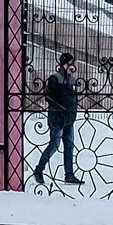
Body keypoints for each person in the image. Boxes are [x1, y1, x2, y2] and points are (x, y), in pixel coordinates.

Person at [34, 52, 81, 187]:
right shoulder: (55, 78)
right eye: (71, 63)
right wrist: (60, 107)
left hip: (69, 118)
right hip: (57, 117)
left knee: (69, 146)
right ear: (64, 64)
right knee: (54, 145)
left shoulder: (72, 80)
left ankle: (69, 174)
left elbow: (74, 99)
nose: (73, 66)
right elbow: (49, 97)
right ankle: (39, 169)